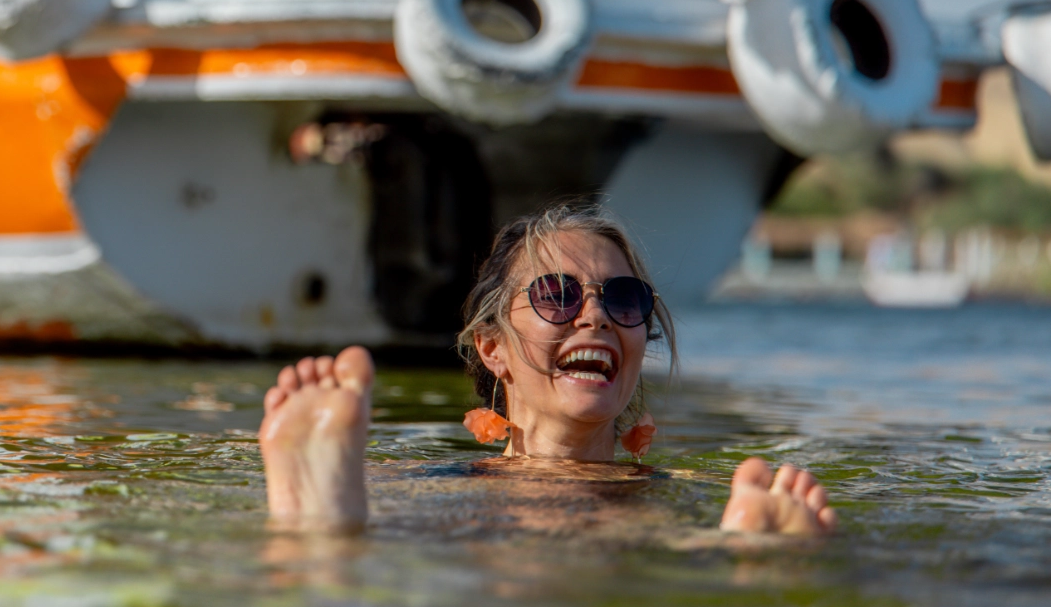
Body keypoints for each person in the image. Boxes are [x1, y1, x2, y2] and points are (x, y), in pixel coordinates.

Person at [258, 203, 839, 536]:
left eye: (625, 299)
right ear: (493, 349)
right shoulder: (415, 484)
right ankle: (322, 517)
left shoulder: (688, 496)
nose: (596, 315)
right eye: (557, 295)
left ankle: (749, 553)